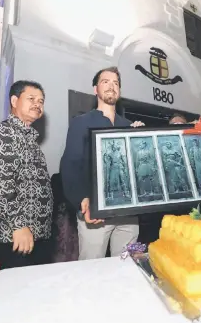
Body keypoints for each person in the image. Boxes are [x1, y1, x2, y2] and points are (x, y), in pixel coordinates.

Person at [60, 66, 144, 260]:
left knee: (127, 265)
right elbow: (70, 164)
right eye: (105, 82)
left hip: (128, 213)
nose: (111, 86)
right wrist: (82, 199)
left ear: (120, 91)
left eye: (116, 83)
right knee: (91, 269)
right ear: (95, 89)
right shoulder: (81, 122)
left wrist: (141, 139)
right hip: (95, 212)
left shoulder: (128, 126)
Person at [0, 80, 54, 268]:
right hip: (14, 236)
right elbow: (3, 184)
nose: (37, 104)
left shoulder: (30, 138)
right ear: (14, 101)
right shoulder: (2, 134)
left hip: (37, 234)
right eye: (31, 98)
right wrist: (18, 226)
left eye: (41, 101)